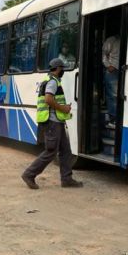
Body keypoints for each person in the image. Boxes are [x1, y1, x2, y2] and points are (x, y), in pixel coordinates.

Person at [21, 58, 83, 189]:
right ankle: (29, 174)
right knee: (51, 151)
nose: (63, 71)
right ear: (58, 69)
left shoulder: (52, 81)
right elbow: (48, 99)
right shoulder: (52, 82)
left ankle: (67, 179)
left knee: (66, 151)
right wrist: (63, 108)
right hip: (51, 122)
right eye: (62, 69)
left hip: (57, 121)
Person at [102, 34, 120, 128]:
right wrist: (108, 66)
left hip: (122, 69)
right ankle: (113, 119)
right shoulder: (112, 39)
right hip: (112, 71)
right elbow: (104, 53)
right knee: (113, 96)